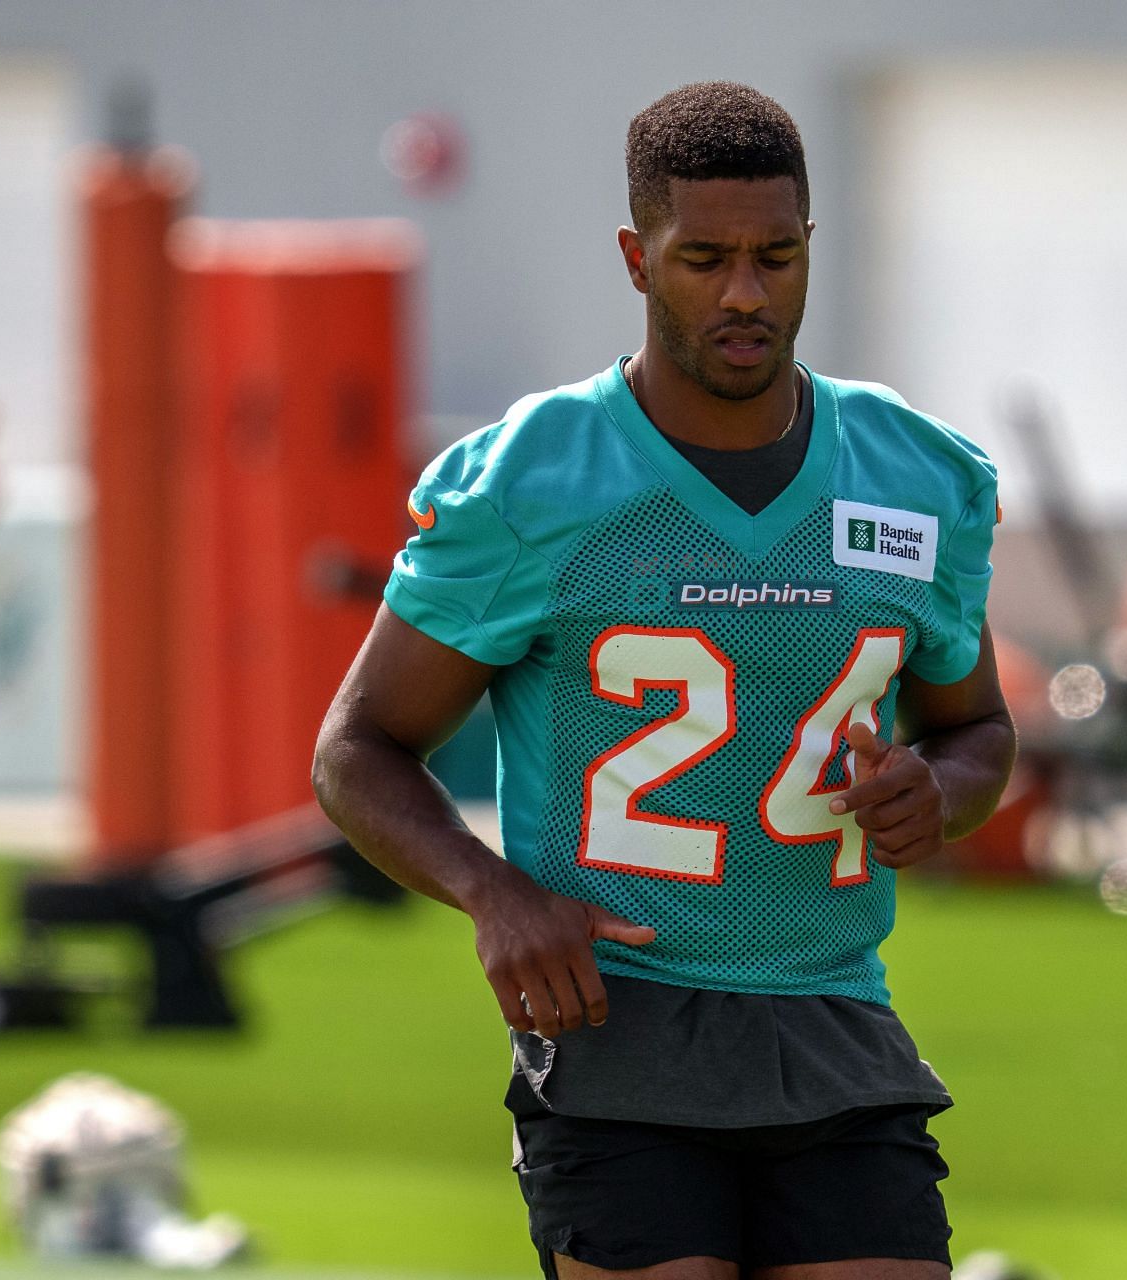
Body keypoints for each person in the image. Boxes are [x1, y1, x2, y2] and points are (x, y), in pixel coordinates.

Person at [313, 81, 1015, 1280]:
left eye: (774, 257)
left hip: (836, 1017)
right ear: (638, 259)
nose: (745, 292)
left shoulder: (914, 472)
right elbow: (358, 749)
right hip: (618, 1023)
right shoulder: (537, 475)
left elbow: (979, 725)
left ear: (809, 253)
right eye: (705, 259)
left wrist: (939, 793)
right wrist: (495, 894)